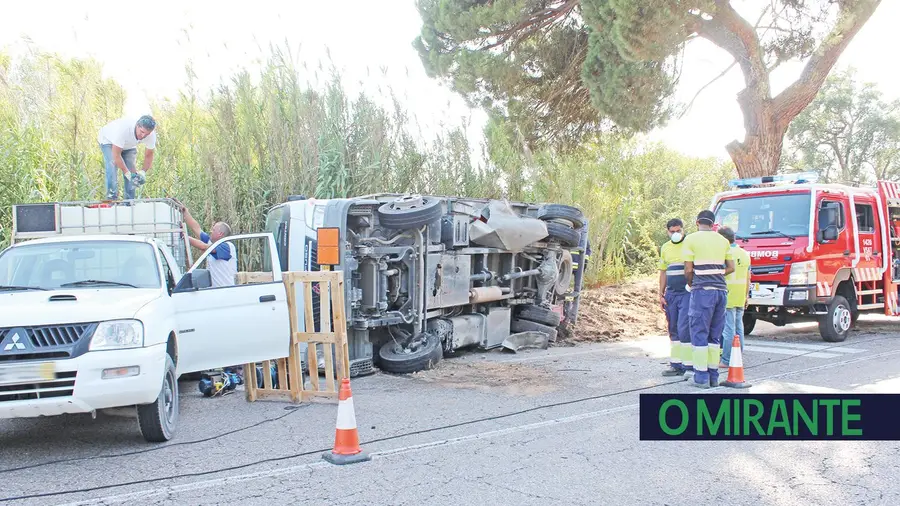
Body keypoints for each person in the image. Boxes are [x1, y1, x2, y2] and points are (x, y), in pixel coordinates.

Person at [682, 210, 735, 388]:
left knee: (698, 332)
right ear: (714, 224)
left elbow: (688, 270)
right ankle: (713, 376)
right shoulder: (723, 240)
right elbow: (731, 267)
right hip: (721, 292)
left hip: (702, 292)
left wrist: (692, 283)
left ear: (697, 222)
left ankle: (701, 377)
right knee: (714, 335)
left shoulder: (691, 239)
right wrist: (717, 273)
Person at [657, 218, 691, 377]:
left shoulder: (690, 244)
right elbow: (663, 272)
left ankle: (689, 365)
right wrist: (661, 294)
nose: (676, 234)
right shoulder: (665, 248)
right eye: (673, 232)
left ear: (683, 230)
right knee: (673, 328)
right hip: (671, 294)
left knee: (685, 328)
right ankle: (676, 364)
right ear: (667, 232)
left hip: (687, 293)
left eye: (678, 231)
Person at [98, 115, 157, 200]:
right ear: (137, 125)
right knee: (112, 166)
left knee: (132, 171)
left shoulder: (151, 135)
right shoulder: (123, 130)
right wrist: (126, 172)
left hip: (129, 145)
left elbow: (149, 155)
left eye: (146, 134)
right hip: (108, 141)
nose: (143, 136)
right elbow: (116, 155)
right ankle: (111, 199)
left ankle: (129, 201)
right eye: (141, 132)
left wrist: (143, 172)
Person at [718, 226, 751, 369]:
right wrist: (746, 296)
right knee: (739, 328)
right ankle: (738, 357)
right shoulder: (745, 253)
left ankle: (726, 360)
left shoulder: (724, 253)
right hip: (739, 295)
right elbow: (749, 277)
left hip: (728, 294)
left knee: (728, 330)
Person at [181, 204, 237, 288]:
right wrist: (185, 212)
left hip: (226, 292)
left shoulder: (227, 246)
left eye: (213, 230)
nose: (211, 231)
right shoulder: (212, 243)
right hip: (215, 292)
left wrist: (184, 236)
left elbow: (203, 247)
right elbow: (196, 228)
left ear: (220, 234)